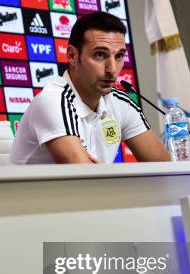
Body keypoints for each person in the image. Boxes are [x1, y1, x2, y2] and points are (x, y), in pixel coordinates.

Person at [10, 12, 171, 164]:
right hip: (30, 194)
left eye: (119, 56)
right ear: (72, 56)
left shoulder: (120, 102)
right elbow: (83, 176)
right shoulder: (53, 100)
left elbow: (166, 168)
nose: (112, 69)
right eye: (100, 54)